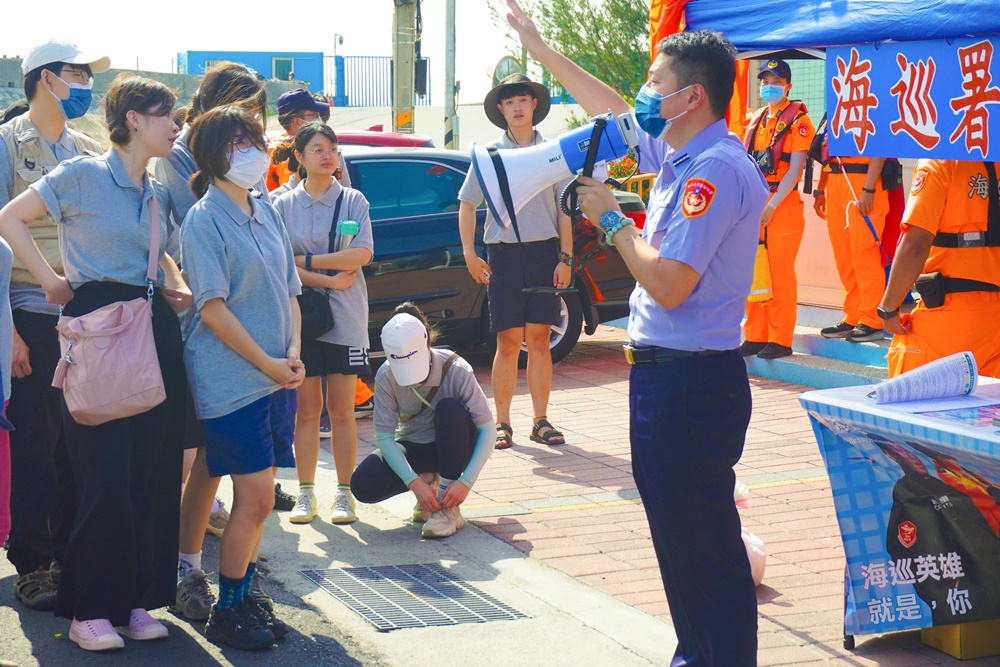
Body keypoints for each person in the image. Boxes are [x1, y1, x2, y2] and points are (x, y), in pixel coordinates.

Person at [505, 1, 768, 663]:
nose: (647, 94)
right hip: (668, 377)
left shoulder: (714, 171)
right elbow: (614, 108)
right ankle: (696, 653)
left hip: (690, 382)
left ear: (692, 96)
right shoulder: (684, 153)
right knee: (680, 538)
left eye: (658, 84)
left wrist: (613, 220)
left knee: (705, 543)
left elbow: (672, 282)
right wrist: (539, 50)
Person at [0, 73, 190, 652]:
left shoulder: (155, 192)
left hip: (150, 327)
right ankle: (88, 609)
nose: (176, 126)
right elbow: (8, 218)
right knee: (101, 476)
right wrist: (52, 280)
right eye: (167, 116)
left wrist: (174, 286)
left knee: (148, 475)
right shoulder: (81, 174)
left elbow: (165, 257)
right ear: (133, 117)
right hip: (96, 328)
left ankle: (134, 601)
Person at [152, 61, 283, 624]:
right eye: (246, 119)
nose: (256, 138)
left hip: (261, 358)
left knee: (216, 464)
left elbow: (287, 284)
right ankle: (187, 569)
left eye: (258, 125)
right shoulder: (185, 164)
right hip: (209, 342)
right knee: (202, 462)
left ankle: (224, 576)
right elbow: (185, 259)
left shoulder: (262, 205)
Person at [181, 104, 304, 649]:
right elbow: (212, 309)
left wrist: (292, 353)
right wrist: (270, 362)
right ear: (211, 156)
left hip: (277, 375)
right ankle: (226, 611)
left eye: (253, 140)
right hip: (232, 381)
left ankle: (243, 595)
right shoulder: (203, 219)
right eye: (237, 143)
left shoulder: (265, 208)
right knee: (254, 500)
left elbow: (291, 289)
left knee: (257, 503)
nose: (252, 151)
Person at [0, 39, 108, 613]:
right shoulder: (6, 145)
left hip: (87, 320)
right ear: (46, 78)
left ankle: (69, 552)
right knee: (37, 448)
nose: (87, 83)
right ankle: (33, 563)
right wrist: (7, 332)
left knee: (78, 444)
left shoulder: (89, 148)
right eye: (78, 73)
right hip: (29, 315)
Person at [457, 72, 573, 450]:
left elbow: (565, 210)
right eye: (509, 102)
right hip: (503, 255)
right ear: (501, 109)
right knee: (507, 342)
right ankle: (501, 423)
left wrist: (565, 259)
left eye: (523, 99)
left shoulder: (553, 152)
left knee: (539, 340)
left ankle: (540, 420)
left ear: (535, 103)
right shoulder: (490, 156)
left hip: (544, 252)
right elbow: (467, 204)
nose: (517, 107)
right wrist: (470, 254)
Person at [274, 122, 373, 525]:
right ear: (298, 156)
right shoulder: (281, 204)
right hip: (301, 318)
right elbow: (280, 264)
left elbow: (362, 255)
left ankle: (345, 495)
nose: (328, 155)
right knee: (307, 409)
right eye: (317, 148)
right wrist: (327, 277)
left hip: (347, 316)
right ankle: (306, 492)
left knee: (343, 408)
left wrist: (307, 263)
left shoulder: (352, 199)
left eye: (332, 147)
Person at [352, 303, 494, 538]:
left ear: (427, 342)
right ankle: (430, 483)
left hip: (457, 444)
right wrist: (414, 483)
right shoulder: (386, 375)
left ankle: (448, 507)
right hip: (416, 444)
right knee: (363, 484)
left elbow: (488, 429)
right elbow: (386, 437)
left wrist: (465, 482)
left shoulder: (456, 368)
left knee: (449, 409)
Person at [879, 159, 1000, 378]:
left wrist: (888, 309)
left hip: (951, 314)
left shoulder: (940, 162)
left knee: (912, 398)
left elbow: (915, 244)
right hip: (993, 322)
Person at [740, 59, 815, 360]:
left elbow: (795, 169)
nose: (768, 86)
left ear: (788, 86)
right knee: (754, 269)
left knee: (780, 273)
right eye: (764, 81)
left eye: (776, 81)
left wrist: (772, 205)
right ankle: (756, 335)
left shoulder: (798, 121)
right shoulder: (756, 119)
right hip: (754, 203)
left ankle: (781, 338)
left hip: (781, 204)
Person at [812, 131, 890, 342]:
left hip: (863, 182)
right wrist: (821, 189)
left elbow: (880, 147)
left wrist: (869, 188)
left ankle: (872, 319)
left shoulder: (870, 105)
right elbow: (829, 154)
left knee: (865, 253)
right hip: (837, 182)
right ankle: (853, 315)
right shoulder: (836, 113)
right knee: (844, 256)